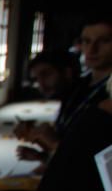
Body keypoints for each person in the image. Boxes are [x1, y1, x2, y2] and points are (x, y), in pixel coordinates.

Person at [17, 14, 112, 160]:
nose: (92, 49)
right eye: (86, 41)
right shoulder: (79, 86)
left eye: (104, 41)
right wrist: (44, 154)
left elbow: (102, 157)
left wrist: (55, 144)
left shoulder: (108, 94)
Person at [15, 50, 82, 164]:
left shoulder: (89, 103)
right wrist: (43, 156)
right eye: (36, 79)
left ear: (67, 72)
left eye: (46, 74)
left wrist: (55, 144)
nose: (41, 84)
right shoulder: (70, 100)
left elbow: (91, 164)